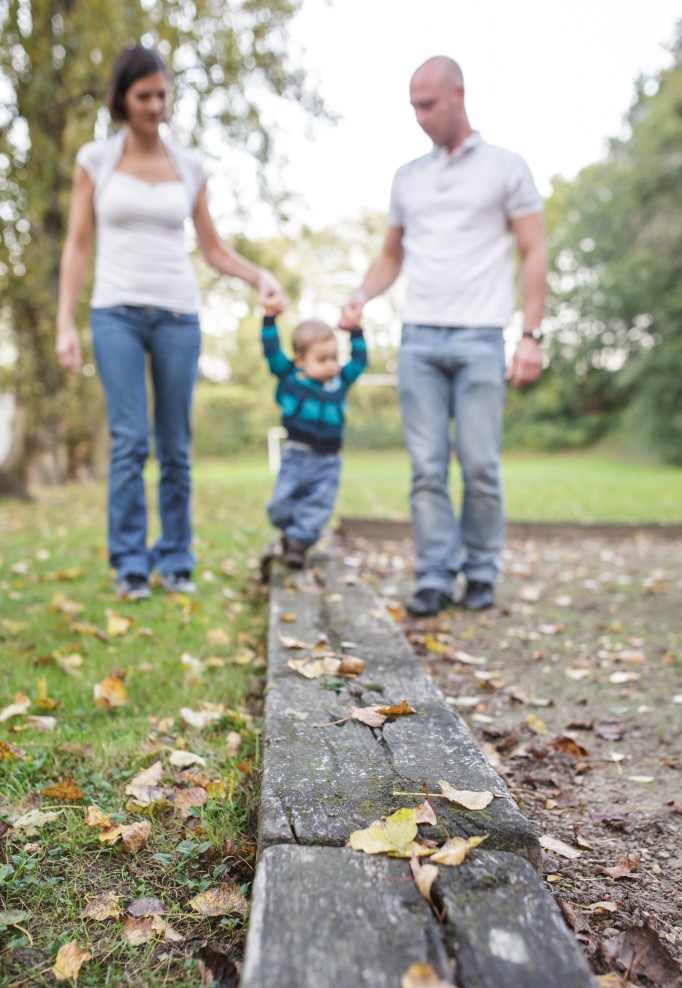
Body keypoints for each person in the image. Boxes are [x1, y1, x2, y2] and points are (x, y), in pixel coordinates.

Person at [56, 45, 286, 600]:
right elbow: (78, 244)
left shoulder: (188, 166)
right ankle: (131, 563)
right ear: (122, 99)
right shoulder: (96, 161)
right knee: (131, 440)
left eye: (162, 94)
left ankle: (177, 557)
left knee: (176, 446)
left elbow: (213, 249)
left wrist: (259, 277)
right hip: (115, 314)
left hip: (179, 315)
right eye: (144, 96)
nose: (156, 105)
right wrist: (65, 320)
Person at [340, 55, 547, 615]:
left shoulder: (506, 166)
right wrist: (363, 295)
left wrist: (531, 333)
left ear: (458, 94)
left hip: (482, 337)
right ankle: (434, 574)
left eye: (426, 103)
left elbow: (533, 249)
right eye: (412, 105)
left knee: (480, 465)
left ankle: (480, 571)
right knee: (427, 467)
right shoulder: (408, 176)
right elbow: (391, 255)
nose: (418, 115)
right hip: (420, 341)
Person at [260, 302, 367, 568]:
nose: (331, 365)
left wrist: (355, 332)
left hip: (329, 460)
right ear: (300, 360)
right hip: (297, 454)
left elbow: (360, 361)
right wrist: (269, 320)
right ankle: (290, 531)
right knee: (280, 505)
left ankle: (298, 543)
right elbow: (271, 352)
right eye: (322, 359)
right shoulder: (290, 378)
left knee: (320, 504)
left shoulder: (339, 382)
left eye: (334, 357)